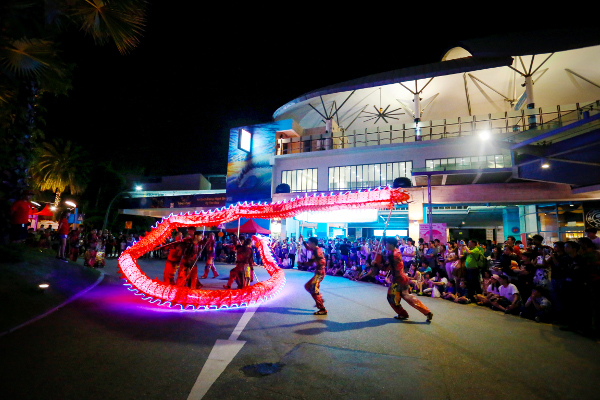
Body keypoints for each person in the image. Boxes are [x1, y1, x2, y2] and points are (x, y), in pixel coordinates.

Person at [382, 237, 433, 321]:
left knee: (391, 297)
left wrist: (375, 263)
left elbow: (385, 267)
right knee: (407, 296)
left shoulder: (393, 255)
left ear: (391, 244)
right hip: (403, 277)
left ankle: (403, 314)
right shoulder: (396, 251)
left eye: (387, 244)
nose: (385, 245)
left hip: (398, 280)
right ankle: (427, 312)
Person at [302, 237, 327, 315]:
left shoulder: (317, 252)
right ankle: (319, 298)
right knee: (307, 286)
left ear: (313, 243)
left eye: (309, 242)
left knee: (313, 290)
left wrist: (302, 262)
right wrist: (302, 240)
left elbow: (310, 263)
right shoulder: (315, 249)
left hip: (319, 273)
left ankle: (322, 309)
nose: (308, 244)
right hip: (318, 272)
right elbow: (308, 247)